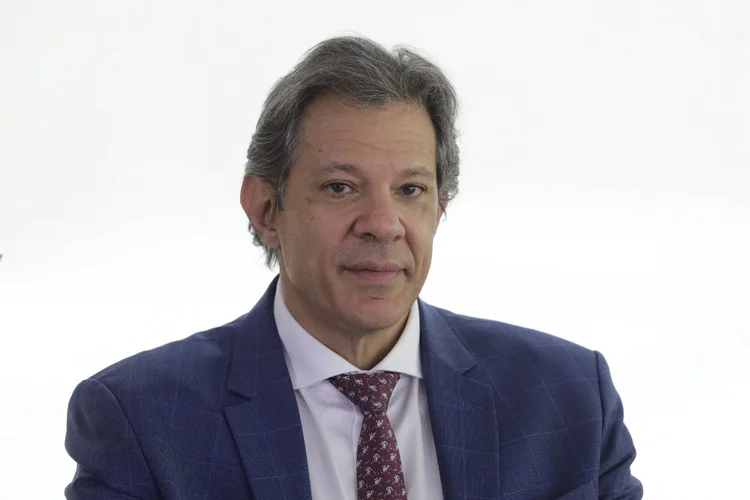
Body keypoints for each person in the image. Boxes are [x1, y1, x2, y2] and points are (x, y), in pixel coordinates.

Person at [64, 36, 642, 500]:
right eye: (340, 187)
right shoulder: (141, 419)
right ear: (266, 210)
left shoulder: (567, 397)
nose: (383, 224)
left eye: (411, 189)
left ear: (440, 209)